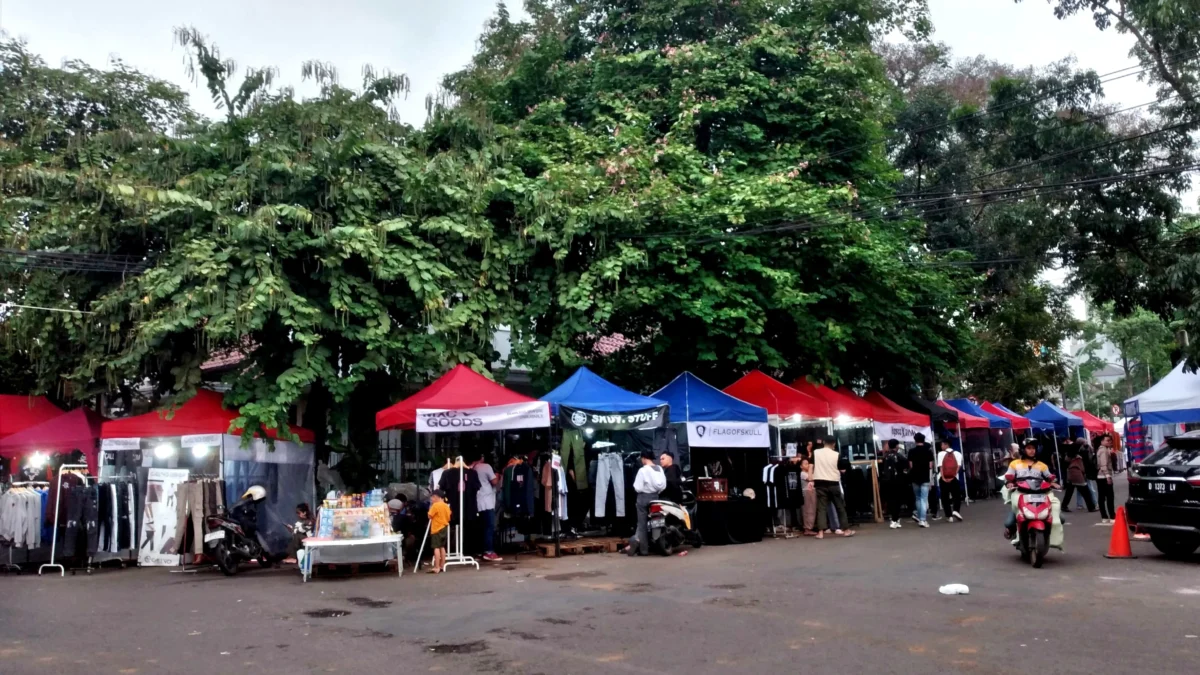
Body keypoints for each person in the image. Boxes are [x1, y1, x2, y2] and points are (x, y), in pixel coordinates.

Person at [1003, 439, 1059, 539]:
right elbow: (1009, 477)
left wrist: (1053, 483)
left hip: (1040, 493)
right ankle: (1013, 530)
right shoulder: (1014, 464)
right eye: (1029, 448)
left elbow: (1049, 477)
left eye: (1033, 448)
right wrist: (1010, 483)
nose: (1032, 450)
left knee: (1057, 515)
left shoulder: (1042, 465)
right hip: (1021, 493)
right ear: (1023, 450)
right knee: (1009, 522)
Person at [813, 436, 854, 539]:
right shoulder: (836, 454)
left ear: (823, 442)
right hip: (833, 483)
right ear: (834, 444)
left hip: (819, 483)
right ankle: (846, 530)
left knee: (821, 508)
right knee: (840, 506)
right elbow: (842, 470)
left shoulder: (816, 453)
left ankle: (821, 533)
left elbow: (811, 465)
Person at [627, 449, 666, 556]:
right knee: (657, 520)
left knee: (642, 524)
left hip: (643, 498)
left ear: (644, 458)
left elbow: (637, 487)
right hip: (656, 497)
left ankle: (644, 550)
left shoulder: (643, 470)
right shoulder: (660, 469)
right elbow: (663, 486)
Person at [471, 452, 503, 562]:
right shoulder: (486, 467)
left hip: (476, 502)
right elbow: (494, 481)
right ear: (482, 457)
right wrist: (498, 476)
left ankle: (479, 552)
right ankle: (489, 551)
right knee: (489, 527)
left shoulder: (470, 468)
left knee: (479, 528)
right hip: (487, 502)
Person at [908, 433, 934, 528]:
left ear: (915, 441)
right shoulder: (928, 451)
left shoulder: (911, 451)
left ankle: (920, 517)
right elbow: (930, 465)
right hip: (925, 477)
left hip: (915, 477)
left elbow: (910, 465)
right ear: (923, 440)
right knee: (923, 498)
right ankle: (922, 520)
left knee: (918, 498)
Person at [879, 439, 907, 529]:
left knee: (890, 500)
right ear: (896, 446)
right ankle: (895, 519)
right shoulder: (899, 457)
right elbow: (905, 468)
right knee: (897, 501)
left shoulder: (884, 457)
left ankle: (894, 518)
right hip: (897, 481)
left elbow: (881, 470)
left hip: (886, 482)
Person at [936, 439, 964, 522]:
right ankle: (956, 510)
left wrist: (944, 477)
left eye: (942, 445)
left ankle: (949, 516)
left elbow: (940, 467)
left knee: (945, 497)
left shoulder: (941, 454)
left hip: (943, 478)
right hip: (954, 478)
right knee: (956, 496)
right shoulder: (958, 454)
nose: (941, 446)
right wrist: (953, 476)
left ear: (946, 445)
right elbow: (958, 467)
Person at [1061, 447, 1097, 513]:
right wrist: (1084, 474)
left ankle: (1064, 506)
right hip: (1078, 476)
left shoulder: (1068, 457)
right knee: (1086, 492)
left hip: (1070, 475)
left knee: (1069, 492)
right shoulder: (1078, 458)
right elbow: (1082, 468)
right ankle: (1091, 507)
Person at [1095, 434, 1118, 524]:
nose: (1109, 442)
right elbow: (1103, 464)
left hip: (1099, 476)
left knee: (1101, 497)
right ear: (1102, 441)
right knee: (1109, 497)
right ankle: (1112, 516)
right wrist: (1108, 475)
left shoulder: (1100, 450)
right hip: (1104, 476)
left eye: (1110, 440)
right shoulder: (1104, 450)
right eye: (1107, 440)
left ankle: (1104, 516)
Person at [427, 490, 451, 574]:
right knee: (442, 547)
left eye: (432, 497)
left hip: (436, 528)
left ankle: (436, 566)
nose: (432, 499)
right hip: (444, 527)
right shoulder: (446, 506)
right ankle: (442, 565)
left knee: (436, 547)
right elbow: (449, 517)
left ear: (436, 497)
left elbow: (429, 515)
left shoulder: (435, 505)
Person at [799, 457, 818, 535]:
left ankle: (810, 526)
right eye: (805, 464)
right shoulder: (802, 473)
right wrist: (811, 469)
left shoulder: (809, 473)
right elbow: (811, 478)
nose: (807, 465)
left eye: (808, 464)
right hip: (807, 492)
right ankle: (807, 528)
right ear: (801, 466)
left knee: (812, 510)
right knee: (808, 510)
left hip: (812, 492)